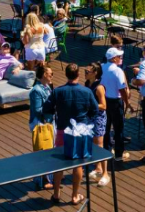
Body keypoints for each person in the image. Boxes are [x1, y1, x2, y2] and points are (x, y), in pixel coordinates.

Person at [43, 63, 99, 206]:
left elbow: (47, 108)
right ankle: (74, 196)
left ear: (67, 75)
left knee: (59, 164)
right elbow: (95, 110)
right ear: (78, 75)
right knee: (78, 165)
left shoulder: (58, 91)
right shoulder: (86, 91)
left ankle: (56, 195)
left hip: (63, 130)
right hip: (80, 132)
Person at [29, 63, 55, 190]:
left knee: (48, 150)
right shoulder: (36, 90)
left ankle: (48, 176)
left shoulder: (47, 87)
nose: (52, 76)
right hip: (41, 124)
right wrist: (53, 108)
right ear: (44, 74)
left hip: (48, 123)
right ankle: (43, 179)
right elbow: (38, 110)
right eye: (51, 74)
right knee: (42, 151)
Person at [103, 48, 131, 163]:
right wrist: (128, 103)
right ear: (114, 58)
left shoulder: (101, 67)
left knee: (106, 127)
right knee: (118, 129)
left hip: (104, 100)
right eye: (119, 57)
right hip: (115, 102)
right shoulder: (118, 71)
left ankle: (106, 151)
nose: (121, 58)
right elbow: (122, 90)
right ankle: (119, 154)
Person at [84, 63, 111, 186]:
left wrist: (89, 106)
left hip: (98, 118)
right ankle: (98, 167)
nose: (85, 73)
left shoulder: (99, 87)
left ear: (95, 73)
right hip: (89, 118)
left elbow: (103, 106)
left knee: (100, 145)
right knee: (93, 144)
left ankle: (106, 173)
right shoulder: (87, 84)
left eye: (87, 71)